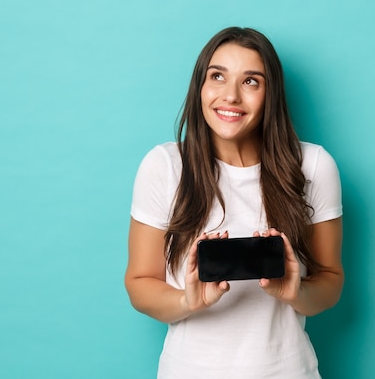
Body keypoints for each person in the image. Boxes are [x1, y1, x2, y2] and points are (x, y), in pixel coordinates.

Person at [125, 27, 344, 379]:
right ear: (200, 86)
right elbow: (139, 282)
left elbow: (331, 281)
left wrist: (295, 292)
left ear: (270, 94)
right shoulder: (164, 166)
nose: (230, 97)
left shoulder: (314, 166)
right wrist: (188, 301)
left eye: (251, 82)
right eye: (217, 77)